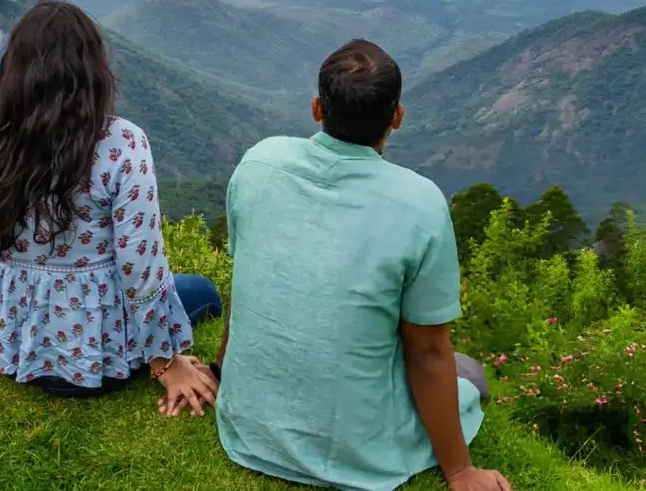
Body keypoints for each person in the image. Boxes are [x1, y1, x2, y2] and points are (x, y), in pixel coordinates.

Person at [212, 39, 511, 491]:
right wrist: (461, 472)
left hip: (249, 427)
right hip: (353, 449)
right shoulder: (419, 204)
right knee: (468, 373)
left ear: (317, 108)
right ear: (397, 117)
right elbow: (426, 351)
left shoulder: (260, 162)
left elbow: (250, 284)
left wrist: (222, 373)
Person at [0, 0, 221, 416]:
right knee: (201, 290)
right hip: (100, 360)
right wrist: (165, 361)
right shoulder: (122, 142)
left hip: (12, 351)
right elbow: (139, 263)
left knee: (189, 289)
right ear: (92, 70)